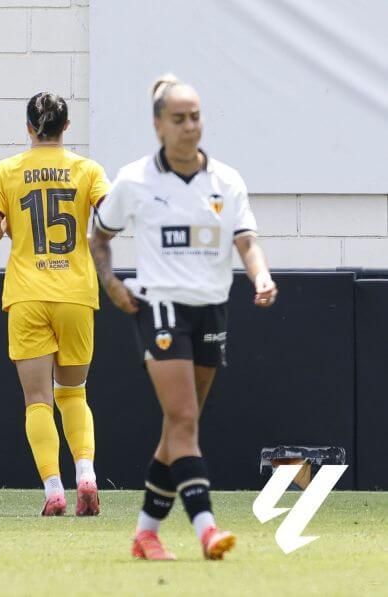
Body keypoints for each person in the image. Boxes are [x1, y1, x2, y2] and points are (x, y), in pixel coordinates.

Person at [90, 74, 278, 560]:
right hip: (161, 308)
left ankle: (145, 534)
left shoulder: (226, 181)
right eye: (179, 119)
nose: (190, 126)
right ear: (158, 125)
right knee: (184, 418)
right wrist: (111, 283)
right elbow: (99, 236)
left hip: (211, 309)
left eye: (195, 117)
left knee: (177, 430)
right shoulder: (135, 180)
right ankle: (206, 529)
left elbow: (246, 241)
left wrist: (260, 276)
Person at [0, 91, 109, 516]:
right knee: (73, 393)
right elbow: (111, 218)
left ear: (28, 127)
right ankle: (86, 474)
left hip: (27, 294)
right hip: (76, 293)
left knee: (38, 400)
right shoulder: (88, 169)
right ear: (66, 126)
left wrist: (10, 225)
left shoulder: (7, 170)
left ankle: (54, 489)